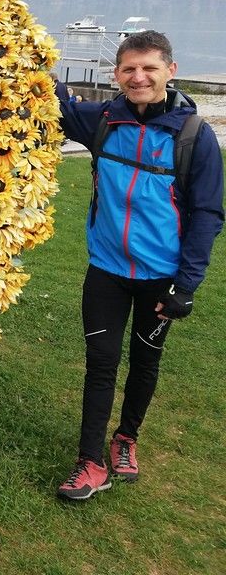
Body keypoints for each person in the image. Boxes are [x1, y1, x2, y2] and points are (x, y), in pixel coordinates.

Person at [53, 30, 224, 501]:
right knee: (101, 364)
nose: (139, 77)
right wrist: (29, 61)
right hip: (106, 270)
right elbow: (57, 107)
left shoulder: (194, 137)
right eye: (129, 68)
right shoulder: (104, 119)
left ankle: (126, 438)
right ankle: (90, 462)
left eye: (149, 68)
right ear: (116, 75)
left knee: (146, 361)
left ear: (170, 70)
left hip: (161, 279)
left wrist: (186, 286)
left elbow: (208, 214)